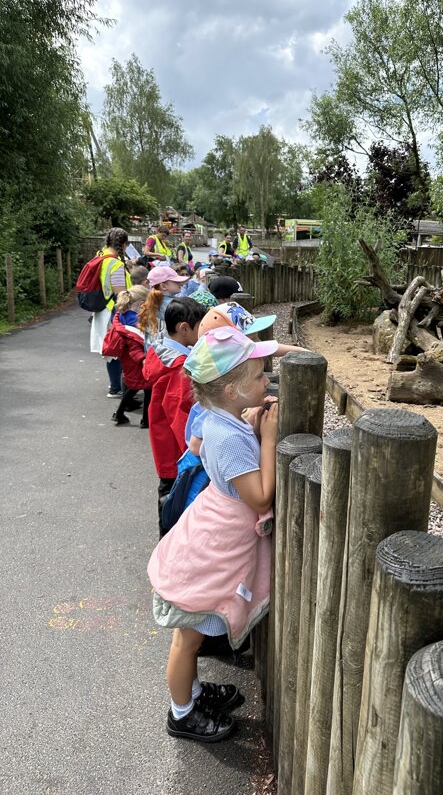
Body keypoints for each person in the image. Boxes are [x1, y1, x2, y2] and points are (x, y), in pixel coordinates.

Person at [147, 327, 279, 742]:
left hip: (208, 536)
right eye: (259, 376)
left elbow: (209, 447)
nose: (267, 381)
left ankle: (192, 693)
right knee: (187, 641)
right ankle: (181, 714)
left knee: (190, 636)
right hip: (211, 546)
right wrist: (269, 440)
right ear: (232, 391)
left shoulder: (220, 419)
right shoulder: (228, 438)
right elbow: (260, 497)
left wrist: (252, 423)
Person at [143, 298, 208, 536]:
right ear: (184, 328)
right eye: (201, 326)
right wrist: (195, 453)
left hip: (164, 443)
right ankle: (167, 546)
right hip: (176, 451)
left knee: (168, 494)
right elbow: (180, 417)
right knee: (174, 501)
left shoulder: (160, 351)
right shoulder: (178, 369)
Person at [89, 227, 132, 398]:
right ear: (124, 244)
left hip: (101, 309)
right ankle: (116, 387)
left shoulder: (100, 256)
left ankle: (115, 385)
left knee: (110, 350)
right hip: (113, 310)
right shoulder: (115, 264)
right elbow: (120, 293)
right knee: (116, 350)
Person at [102, 286, 152, 428]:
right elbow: (135, 342)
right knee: (148, 387)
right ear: (140, 304)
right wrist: (143, 359)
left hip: (127, 358)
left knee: (133, 386)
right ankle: (145, 420)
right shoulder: (135, 319)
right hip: (137, 358)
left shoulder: (121, 314)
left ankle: (119, 414)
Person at [138, 266, 189, 349]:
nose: (180, 283)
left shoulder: (150, 303)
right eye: (175, 281)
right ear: (163, 286)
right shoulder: (176, 305)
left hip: (154, 353)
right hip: (172, 353)